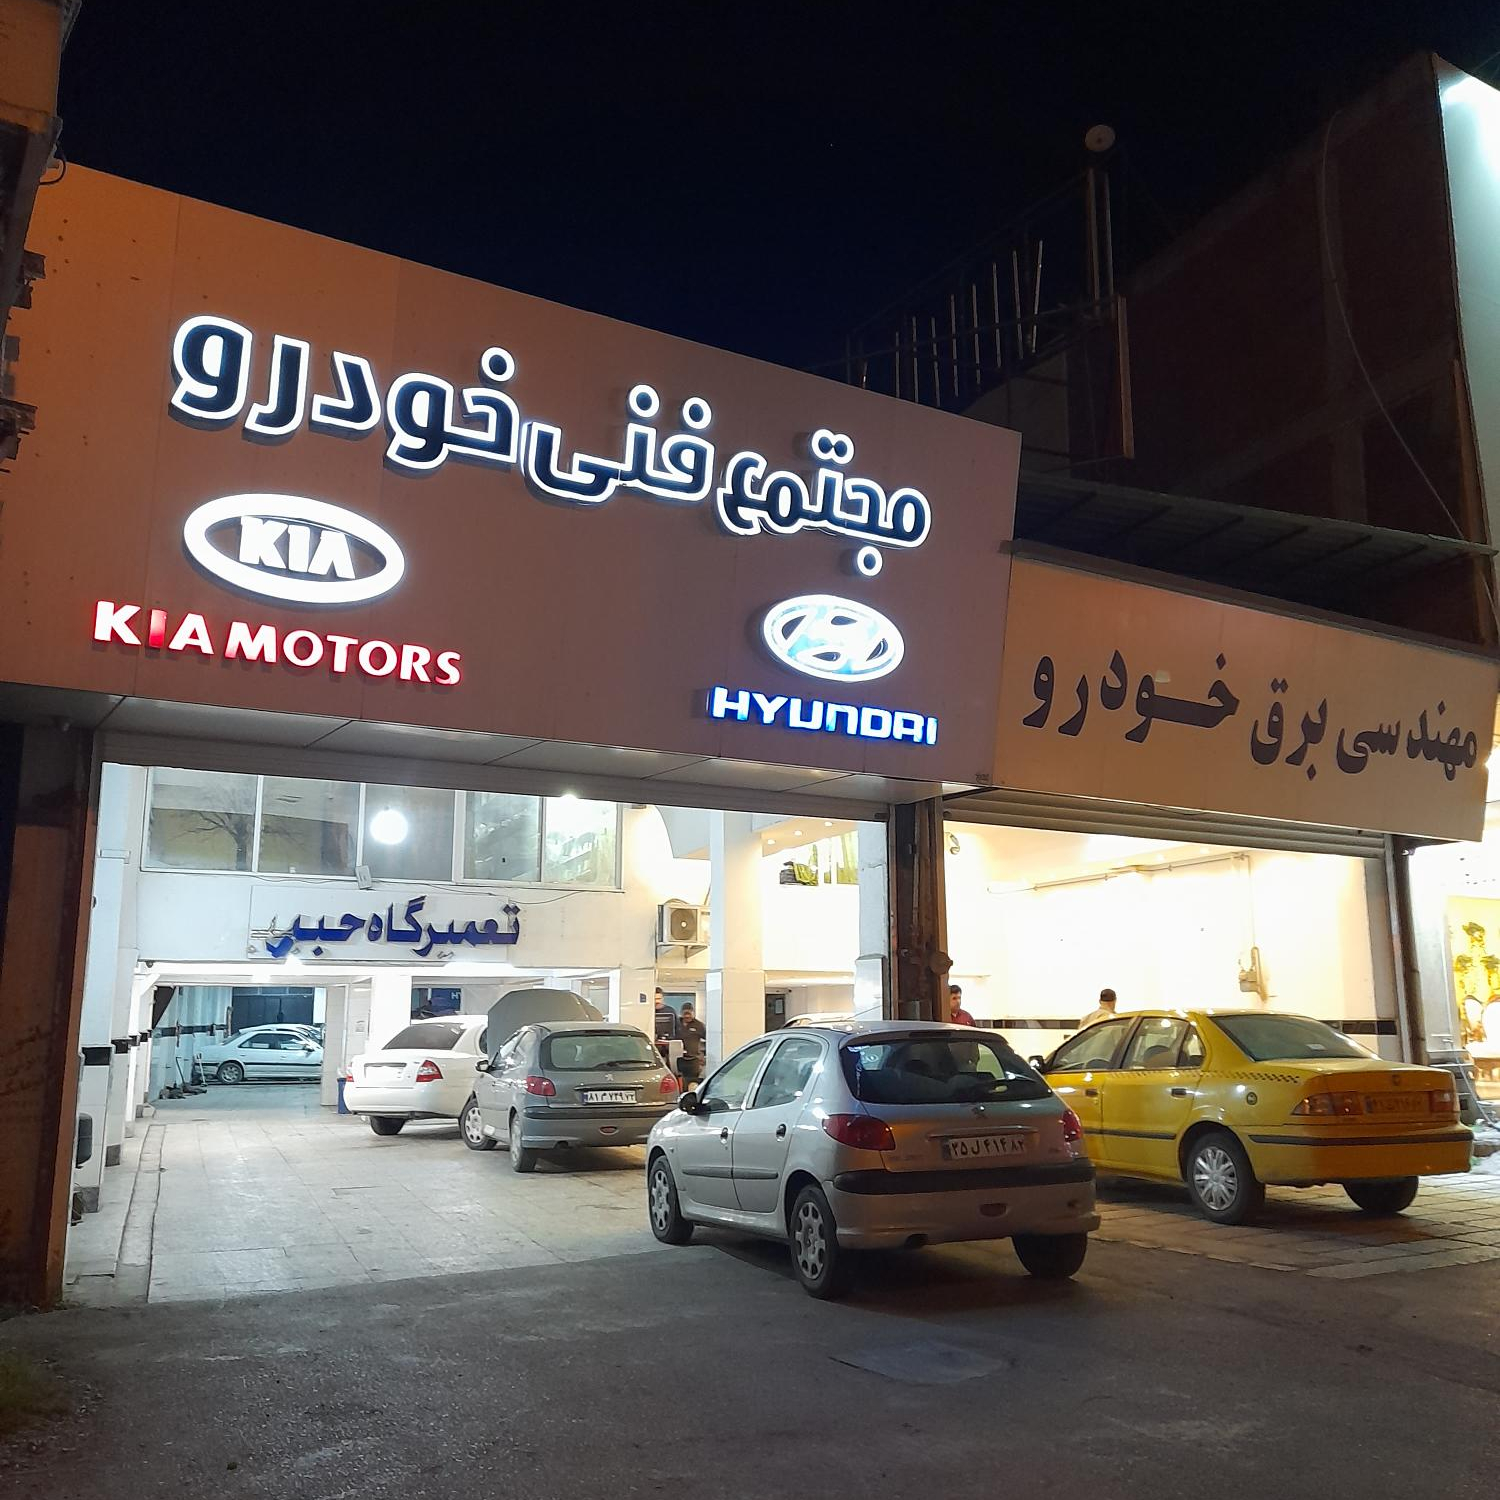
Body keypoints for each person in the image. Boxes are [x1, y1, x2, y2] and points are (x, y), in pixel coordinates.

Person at [676, 1001, 707, 1092]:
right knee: (680, 1084)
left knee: (693, 1083)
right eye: (685, 1014)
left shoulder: (699, 1025)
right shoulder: (676, 1024)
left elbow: (709, 1040)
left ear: (693, 1013)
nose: (687, 1016)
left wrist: (703, 1055)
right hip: (678, 1059)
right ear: (681, 1013)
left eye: (689, 1013)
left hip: (693, 1060)